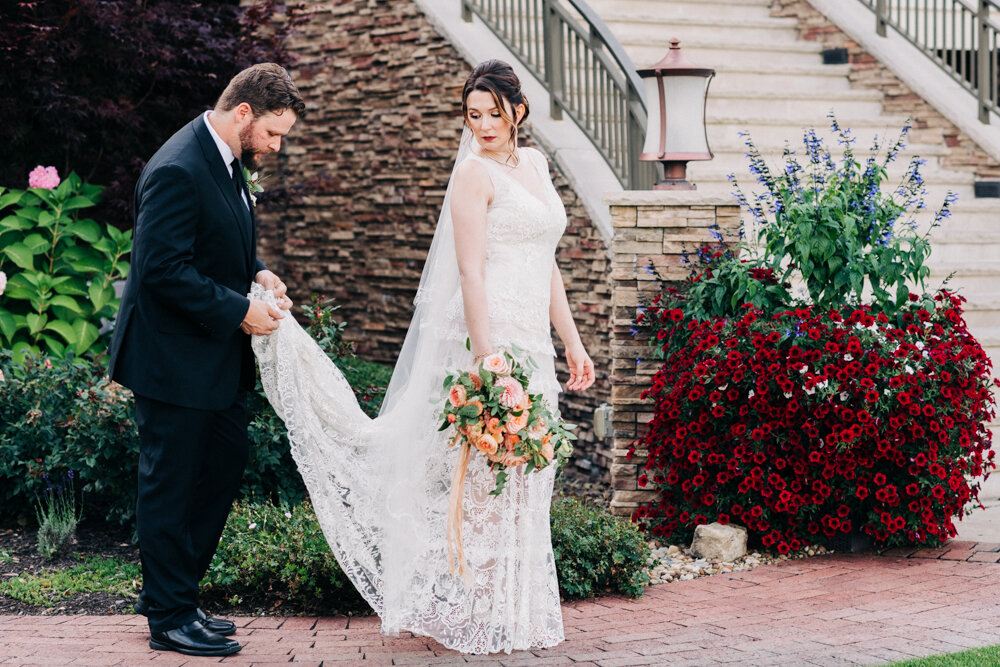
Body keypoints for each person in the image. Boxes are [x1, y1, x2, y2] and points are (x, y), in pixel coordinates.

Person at [251, 59, 595, 655]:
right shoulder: (472, 175)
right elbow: (469, 269)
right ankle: (479, 612)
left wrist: (571, 340)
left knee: (528, 475)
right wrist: (488, 357)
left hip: (535, 344)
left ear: (518, 111)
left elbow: (547, 264)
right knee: (486, 476)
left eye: (493, 113)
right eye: (472, 115)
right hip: (490, 340)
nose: (483, 125)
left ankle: (512, 611)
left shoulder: (536, 165)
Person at [107, 63, 304, 657]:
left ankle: (179, 597)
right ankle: (168, 618)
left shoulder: (224, 160)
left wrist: (256, 270)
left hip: (211, 360)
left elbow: (214, 237)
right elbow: (161, 271)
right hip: (171, 361)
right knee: (171, 486)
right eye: (273, 133)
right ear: (243, 113)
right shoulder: (176, 167)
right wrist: (239, 311)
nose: (275, 146)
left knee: (221, 466)